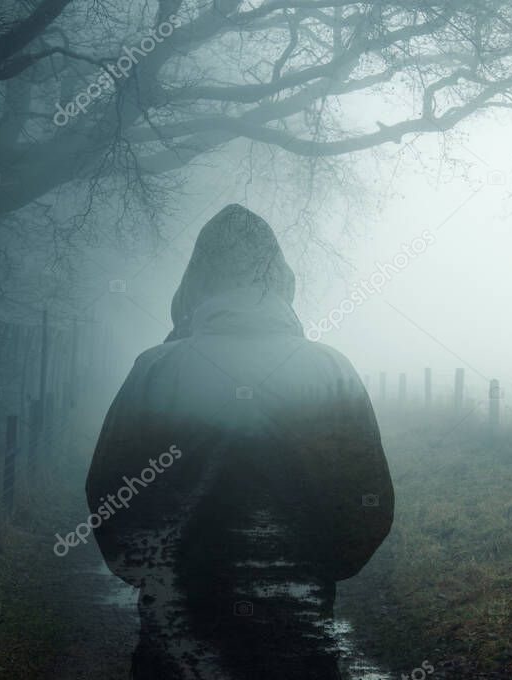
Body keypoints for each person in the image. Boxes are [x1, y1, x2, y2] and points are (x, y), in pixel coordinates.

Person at [85, 204, 394, 679]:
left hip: (177, 631)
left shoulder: (156, 370)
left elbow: (111, 492)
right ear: (281, 276)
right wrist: (314, 570)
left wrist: (155, 574)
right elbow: (366, 499)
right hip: (298, 631)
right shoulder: (330, 370)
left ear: (197, 277)